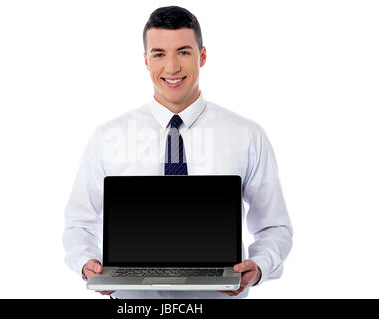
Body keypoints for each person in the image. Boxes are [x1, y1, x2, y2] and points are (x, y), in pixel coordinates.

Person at [62, 6, 293, 299]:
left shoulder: (247, 135)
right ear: (146, 61)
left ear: (203, 56)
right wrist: (87, 265)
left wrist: (258, 267)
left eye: (183, 52)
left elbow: (275, 227)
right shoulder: (108, 137)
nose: (171, 68)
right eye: (159, 54)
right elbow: (77, 225)